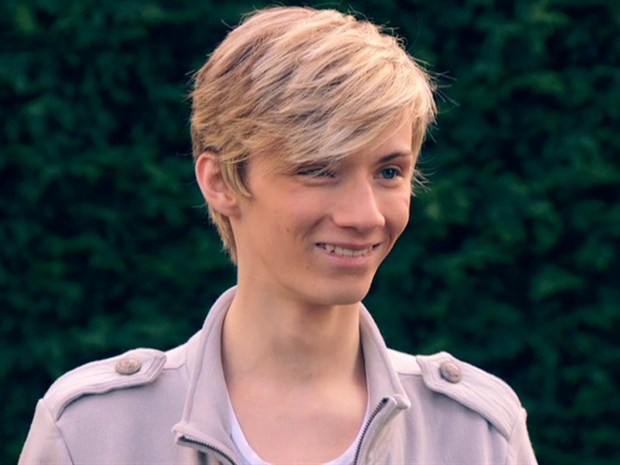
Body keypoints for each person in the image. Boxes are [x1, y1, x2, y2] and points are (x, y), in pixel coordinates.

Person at [19, 6, 538, 465]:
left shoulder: (478, 435)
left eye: (388, 172)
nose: (366, 216)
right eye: (319, 170)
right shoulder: (91, 433)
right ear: (221, 182)